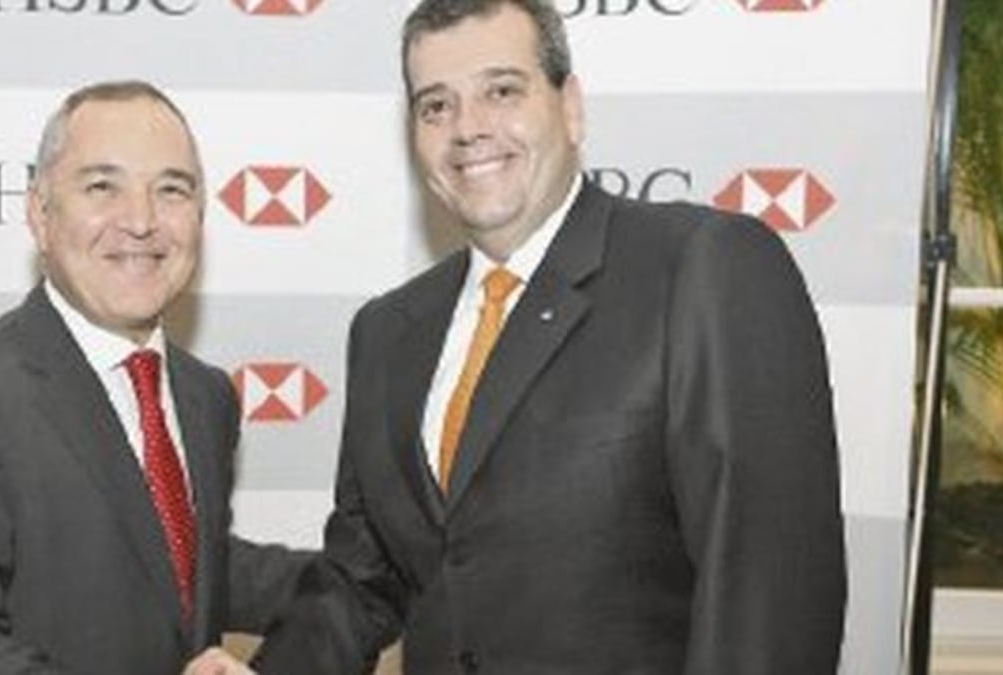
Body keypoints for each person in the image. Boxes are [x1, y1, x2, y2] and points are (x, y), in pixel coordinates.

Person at [192, 0, 848, 672]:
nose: (468, 128)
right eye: (436, 106)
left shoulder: (700, 269)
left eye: (501, 91)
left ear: (571, 107)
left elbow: (772, 600)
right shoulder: (386, 334)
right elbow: (362, 580)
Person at [0, 80, 308, 675]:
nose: (142, 221)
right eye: (102, 186)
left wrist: (381, 573)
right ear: (40, 215)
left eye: (171, 190)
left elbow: (173, 566)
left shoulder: (205, 396)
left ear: (200, 216)